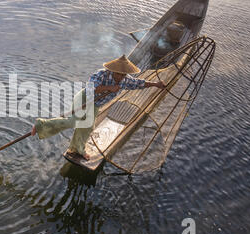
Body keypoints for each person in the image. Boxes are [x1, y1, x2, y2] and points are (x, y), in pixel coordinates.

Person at [30, 55, 166, 160]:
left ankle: (77, 149)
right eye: (119, 74)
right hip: (84, 99)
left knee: (87, 126)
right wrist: (109, 87)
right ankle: (40, 124)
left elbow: (139, 83)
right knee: (73, 122)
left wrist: (155, 84)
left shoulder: (125, 80)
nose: (121, 77)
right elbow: (90, 88)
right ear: (113, 71)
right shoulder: (101, 74)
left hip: (95, 105)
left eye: (123, 74)